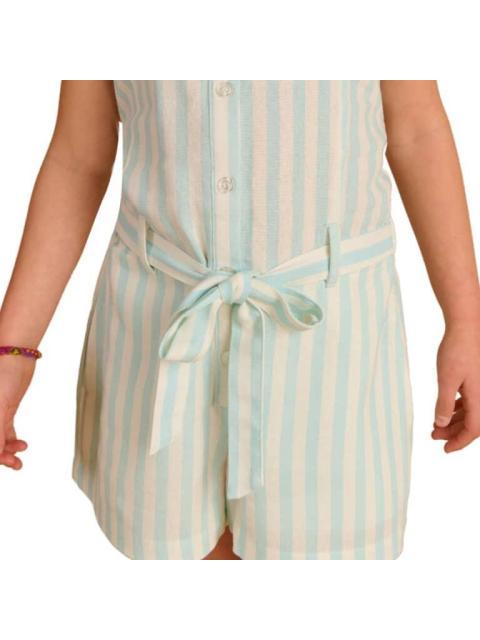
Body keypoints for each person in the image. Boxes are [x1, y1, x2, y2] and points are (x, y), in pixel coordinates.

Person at [0, 81, 479, 560]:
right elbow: (79, 156)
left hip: (332, 349)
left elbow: (416, 130)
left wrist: (467, 321)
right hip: (159, 328)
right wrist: (13, 348)